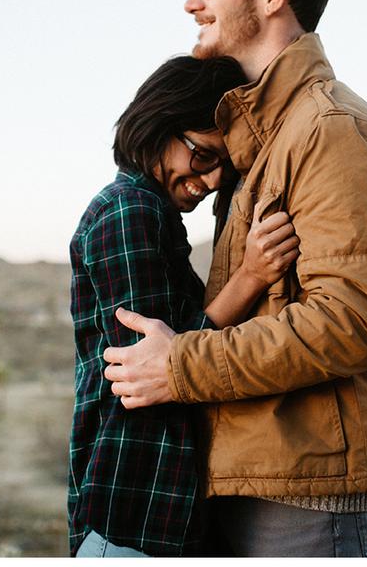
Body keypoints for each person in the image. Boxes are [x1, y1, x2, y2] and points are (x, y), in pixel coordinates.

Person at [103, 0, 367, 558]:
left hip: (302, 494)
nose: (192, 2)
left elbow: (355, 320)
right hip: (248, 474)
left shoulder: (327, 129)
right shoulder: (262, 133)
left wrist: (181, 366)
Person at [68, 55, 300, 557]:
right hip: (135, 509)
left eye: (224, 167)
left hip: (155, 509)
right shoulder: (128, 211)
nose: (213, 179)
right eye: (202, 155)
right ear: (158, 126)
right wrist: (251, 277)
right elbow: (153, 364)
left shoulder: (152, 212)